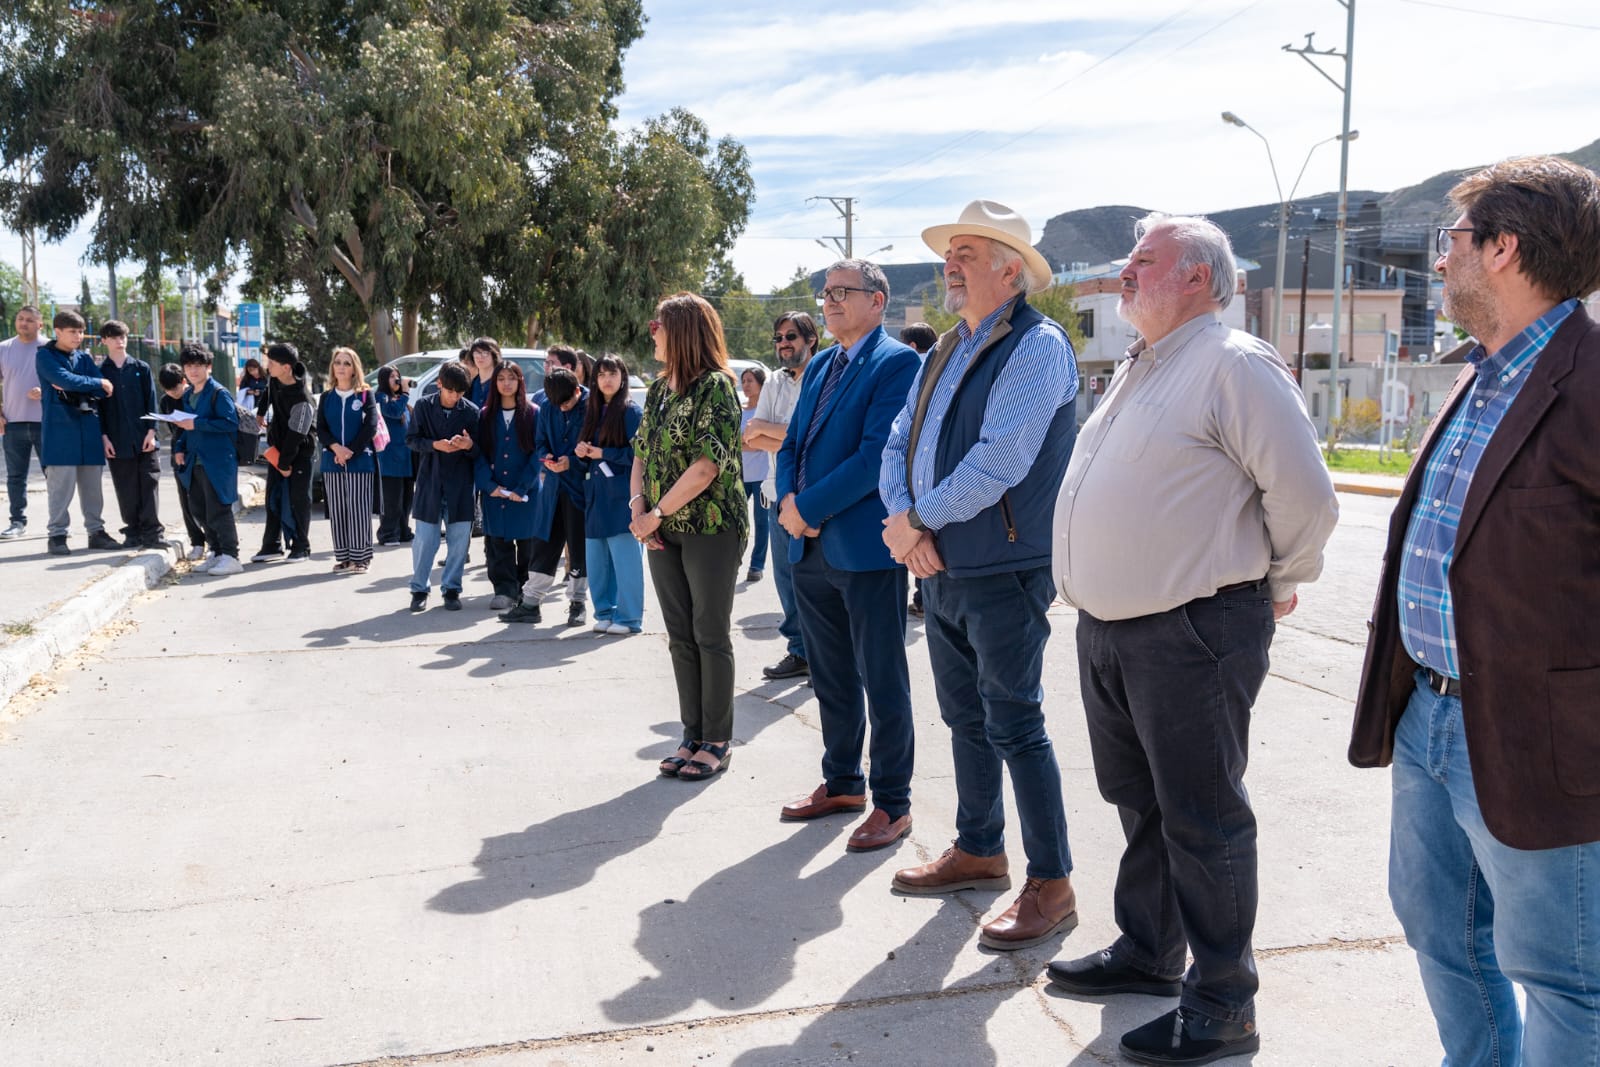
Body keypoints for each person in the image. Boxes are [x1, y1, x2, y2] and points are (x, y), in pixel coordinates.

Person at [1050, 212, 1338, 1064]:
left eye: (1144, 260)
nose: (1126, 272)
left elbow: (1306, 496)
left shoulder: (1232, 362)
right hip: (1113, 629)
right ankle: (1150, 950)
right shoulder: (1145, 363)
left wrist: (1274, 584)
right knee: (1143, 804)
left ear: (1198, 279)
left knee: (1204, 819)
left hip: (1190, 629)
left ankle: (1222, 1003)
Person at [1350, 156, 1600, 1067]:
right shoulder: (1480, 372)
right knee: (1442, 933)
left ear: (1504, 249)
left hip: (1542, 739)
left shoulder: (1593, 383)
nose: (1440, 259)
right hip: (1428, 714)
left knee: (1564, 976)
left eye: (1452, 239)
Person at [879, 201, 1082, 952]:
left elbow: (1001, 458)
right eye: (950, 253)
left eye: (966, 253)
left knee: (1014, 722)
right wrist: (908, 524)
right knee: (964, 717)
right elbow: (900, 442)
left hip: (1005, 567)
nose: (950, 265)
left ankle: (1052, 883)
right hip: (941, 563)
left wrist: (919, 521)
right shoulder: (947, 348)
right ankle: (979, 848)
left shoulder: (1037, 344)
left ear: (1010, 268)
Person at [773, 260, 921, 852]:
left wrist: (808, 507)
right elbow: (792, 443)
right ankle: (841, 783)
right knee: (830, 675)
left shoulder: (896, 363)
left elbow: (875, 457)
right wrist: (790, 504)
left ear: (877, 301)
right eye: (826, 292)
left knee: (881, 679)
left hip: (863, 549)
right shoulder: (821, 364)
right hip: (807, 546)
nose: (829, 300)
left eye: (842, 291)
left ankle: (893, 803)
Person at [630, 292, 748, 782]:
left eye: (657, 325)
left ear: (680, 330)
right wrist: (638, 508)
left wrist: (656, 513)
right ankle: (691, 735)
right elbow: (641, 452)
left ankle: (717, 740)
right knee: (680, 636)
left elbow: (706, 467)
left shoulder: (717, 387)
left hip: (711, 527)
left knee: (709, 634)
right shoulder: (659, 390)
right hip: (662, 527)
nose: (652, 333)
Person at [743, 311, 819, 681]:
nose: (783, 343)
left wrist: (767, 428)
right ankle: (799, 652)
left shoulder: (824, 375)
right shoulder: (773, 380)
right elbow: (752, 438)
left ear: (811, 339)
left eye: (791, 336)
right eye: (778, 337)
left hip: (814, 498)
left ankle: (826, 656)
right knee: (787, 582)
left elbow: (812, 437)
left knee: (817, 583)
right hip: (775, 495)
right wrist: (782, 434)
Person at [502, 367, 589, 625]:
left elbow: (596, 448)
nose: (562, 408)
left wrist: (572, 462)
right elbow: (539, 442)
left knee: (578, 548)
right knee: (543, 543)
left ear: (577, 391)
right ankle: (530, 603)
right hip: (552, 488)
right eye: (556, 404)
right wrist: (547, 458)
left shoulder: (591, 408)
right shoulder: (548, 406)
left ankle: (578, 603)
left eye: (567, 403)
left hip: (580, 489)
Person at [35, 310, 117, 556]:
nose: (78, 336)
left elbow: (104, 390)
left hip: (88, 429)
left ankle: (96, 532)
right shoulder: (44, 356)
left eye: (81, 332)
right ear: (57, 331)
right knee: (60, 488)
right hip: (60, 433)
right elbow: (67, 380)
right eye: (72, 331)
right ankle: (57, 535)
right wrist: (92, 383)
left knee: (93, 488)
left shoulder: (83, 358)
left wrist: (84, 384)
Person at [576, 353, 644, 635]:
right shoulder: (591, 411)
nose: (606, 380)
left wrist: (604, 453)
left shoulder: (631, 412)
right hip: (596, 494)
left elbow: (640, 456)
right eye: (601, 375)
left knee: (626, 562)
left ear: (622, 378)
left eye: (612, 374)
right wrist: (581, 452)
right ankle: (604, 612)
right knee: (597, 561)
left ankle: (629, 618)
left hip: (622, 496)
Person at [407, 361, 479, 611]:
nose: (455, 397)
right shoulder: (423, 406)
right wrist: (434, 445)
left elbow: (480, 451)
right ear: (439, 384)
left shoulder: (471, 412)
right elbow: (411, 440)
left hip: (461, 484)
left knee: (459, 541)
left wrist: (468, 446)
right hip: (430, 480)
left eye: (460, 392)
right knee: (425, 540)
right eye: (450, 391)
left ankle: (451, 588)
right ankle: (419, 588)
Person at [171, 343, 244, 575]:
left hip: (217, 461)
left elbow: (230, 423)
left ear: (208, 367)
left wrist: (198, 423)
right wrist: (180, 448)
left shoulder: (218, 393)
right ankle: (216, 552)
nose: (193, 371)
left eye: (198, 366)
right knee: (200, 509)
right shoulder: (188, 395)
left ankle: (231, 556)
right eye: (188, 366)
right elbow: (185, 427)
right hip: (194, 461)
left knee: (218, 509)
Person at [474, 360, 539, 611]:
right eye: (501, 379)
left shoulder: (533, 413)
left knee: (527, 544)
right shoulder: (485, 415)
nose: (506, 383)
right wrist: (488, 485)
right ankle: (504, 590)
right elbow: (479, 454)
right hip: (495, 491)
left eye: (512, 378)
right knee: (497, 543)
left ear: (520, 381)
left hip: (526, 492)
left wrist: (523, 487)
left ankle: (524, 589)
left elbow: (538, 454)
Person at [96, 320, 164, 549]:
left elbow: (151, 401)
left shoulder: (141, 368)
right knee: (125, 486)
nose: (120, 341)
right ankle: (133, 531)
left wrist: (152, 431)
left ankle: (153, 533)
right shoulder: (100, 373)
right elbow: (99, 409)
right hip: (116, 439)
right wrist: (104, 437)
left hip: (144, 437)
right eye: (114, 337)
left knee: (149, 483)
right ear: (104, 340)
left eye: (123, 336)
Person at [316, 346, 379, 573]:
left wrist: (350, 451)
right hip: (332, 462)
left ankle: (361, 558)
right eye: (338, 362)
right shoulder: (326, 397)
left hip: (359, 460)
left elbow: (370, 426)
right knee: (338, 510)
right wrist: (336, 449)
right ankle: (344, 557)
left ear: (354, 369)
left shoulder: (365, 395)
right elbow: (321, 428)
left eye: (346, 363)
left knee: (358, 509)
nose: (341, 367)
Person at [253, 343, 316, 563]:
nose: (267, 367)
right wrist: (261, 413)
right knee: (273, 497)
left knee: (298, 500)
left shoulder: (302, 398)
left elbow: (297, 434)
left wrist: (284, 464)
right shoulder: (275, 380)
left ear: (286, 367)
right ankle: (271, 545)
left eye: (271, 363)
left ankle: (301, 546)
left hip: (299, 453)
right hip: (278, 449)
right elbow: (267, 394)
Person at [896, 321, 938, 617]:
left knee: (918, 534)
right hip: (937, 471)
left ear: (911, 346)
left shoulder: (913, 369)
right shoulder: (943, 364)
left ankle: (923, 599)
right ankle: (925, 600)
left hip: (913, 470)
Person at [0, 304, 47, 539]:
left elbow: (64, 381)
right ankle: (17, 521)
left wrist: (45, 391)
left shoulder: (49, 348)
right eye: (20, 318)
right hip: (13, 423)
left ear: (40, 324)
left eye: (29, 320)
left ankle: (59, 522)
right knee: (15, 476)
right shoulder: (3, 348)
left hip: (46, 423)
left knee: (54, 475)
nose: (23, 323)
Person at [157, 364, 207, 561]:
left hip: (199, 452)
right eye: (168, 390)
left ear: (183, 381)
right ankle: (196, 541)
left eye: (176, 389)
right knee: (186, 500)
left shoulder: (195, 396)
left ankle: (215, 542)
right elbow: (173, 429)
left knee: (205, 499)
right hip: (179, 453)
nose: (173, 394)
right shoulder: (165, 401)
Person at [374, 365, 415, 546]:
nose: (397, 380)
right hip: (389, 458)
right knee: (392, 499)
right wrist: (405, 394)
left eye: (398, 376)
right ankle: (388, 533)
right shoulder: (380, 397)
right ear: (384, 379)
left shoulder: (401, 400)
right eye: (392, 376)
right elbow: (393, 412)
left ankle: (403, 531)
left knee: (406, 498)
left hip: (405, 457)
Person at [738, 364, 769, 583]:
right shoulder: (739, 410)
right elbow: (733, 442)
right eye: (744, 381)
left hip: (762, 476)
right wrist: (750, 441)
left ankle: (757, 565)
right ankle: (734, 560)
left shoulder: (765, 411)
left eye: (750, 381)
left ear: (760, 384)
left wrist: (749, 442)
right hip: (740, 474)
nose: (746, 385)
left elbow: (762, 442)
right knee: (737, 521)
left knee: (761, 521)